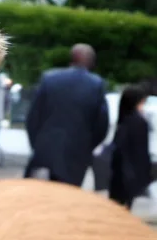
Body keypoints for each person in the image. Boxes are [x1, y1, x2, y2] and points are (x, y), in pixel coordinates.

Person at [24, 44, 109, 186]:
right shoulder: (96, 85)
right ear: (92, 62)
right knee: (65, 202)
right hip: (76, 157)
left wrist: (37, 144)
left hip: (44, 153)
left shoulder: (49, 78)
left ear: (71, 58)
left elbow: (33, 117)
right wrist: (87, 147)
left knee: (36, 199)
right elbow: (101, 124)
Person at [108, 84, 152, 210]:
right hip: (131, 171)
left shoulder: (125, 120)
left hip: (121, 170)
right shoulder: (138, 121)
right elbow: (140, 151)